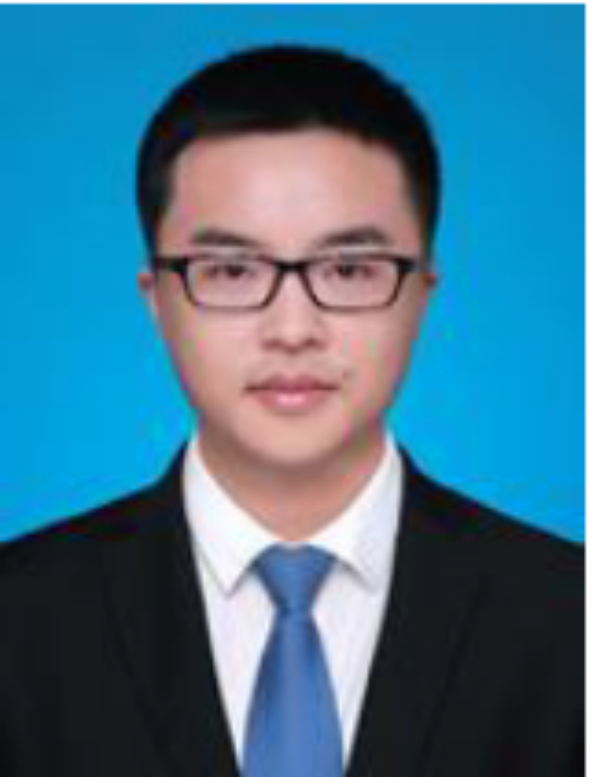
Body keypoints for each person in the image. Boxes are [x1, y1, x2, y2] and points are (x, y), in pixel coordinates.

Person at [0, 45, 583, 777]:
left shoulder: (573, 620)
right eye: (231, 270)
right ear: (157, 301)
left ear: (421, 296)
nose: (293, 329)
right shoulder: (19, 620)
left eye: (349, 269)